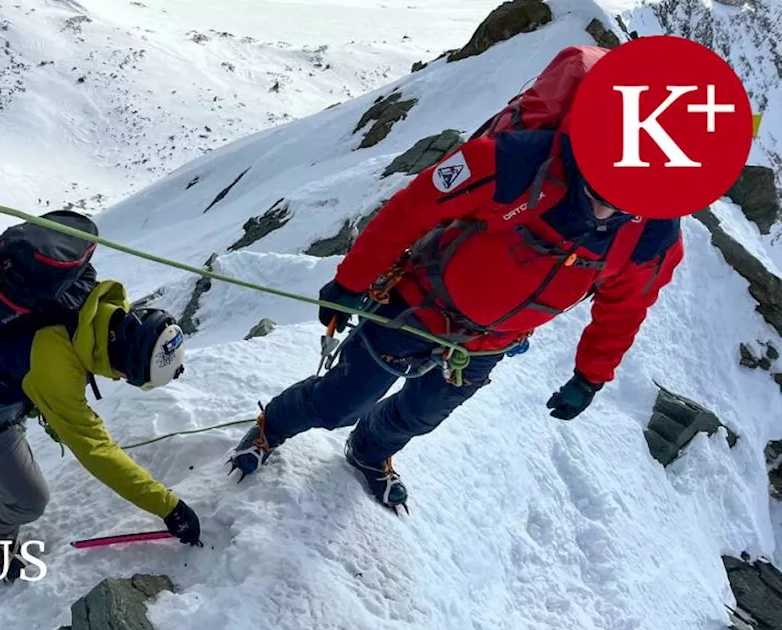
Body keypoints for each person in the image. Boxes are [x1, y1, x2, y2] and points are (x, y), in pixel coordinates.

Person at [227, 107, 684, 513]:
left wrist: (590, 376)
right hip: (415, 306)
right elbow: (413, 209)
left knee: (419, 415)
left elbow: (625, 309)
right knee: (338, 402)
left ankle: (368, 450)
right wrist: (352, 281)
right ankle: (274, 425)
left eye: (622, 204)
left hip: (488, 342)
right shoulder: (513, 161)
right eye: (598, 190)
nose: (604, 211)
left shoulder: (652, 237)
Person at [0, 213, 201, 581]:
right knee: (30, 499)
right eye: (129, 375)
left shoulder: (93, 299)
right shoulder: (56, 371)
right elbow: (98, 453)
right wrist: (169, 507)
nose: (122, 378)